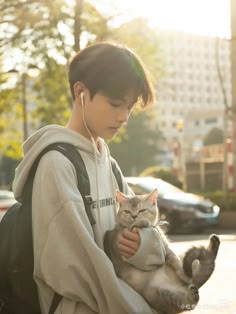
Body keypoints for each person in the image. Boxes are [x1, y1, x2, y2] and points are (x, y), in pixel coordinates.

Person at [13, 42, 166, 314]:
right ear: (81, 92)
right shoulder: (56, 165)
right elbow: (81, 270)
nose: (123, 117)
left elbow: (149, 239)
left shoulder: (110, 164)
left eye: (129, 107)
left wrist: (142, 247)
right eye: (115, 103)